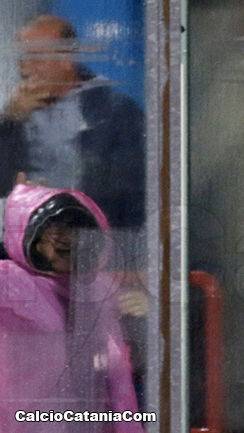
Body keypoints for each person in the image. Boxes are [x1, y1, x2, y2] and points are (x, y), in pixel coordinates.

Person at [0, 184, 144, 432]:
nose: (68, 237)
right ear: (30, 234)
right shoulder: (8, 281)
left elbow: (124, 374)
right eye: (54, 226)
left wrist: (149, 314)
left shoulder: (99, 289)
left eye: (78, 227)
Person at [0, 15, 145, 230]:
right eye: (21, 59)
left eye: (36, 58)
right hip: (25, 235)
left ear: (67, 60)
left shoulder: (115, 112)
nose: (25, 69)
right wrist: (9, 122)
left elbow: (132, 196)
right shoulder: (14, 112)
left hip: (89, 234)